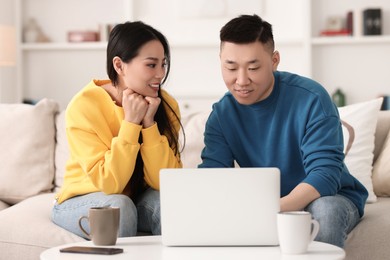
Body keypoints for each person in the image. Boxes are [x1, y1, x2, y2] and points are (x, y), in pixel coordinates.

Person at [198, 14, 368, 248]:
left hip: (327, 197)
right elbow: (214, 176)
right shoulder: (221, 115)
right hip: (266, 204)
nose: (241, 80)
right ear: (220, 61)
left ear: (275, 60)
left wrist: (273, 208)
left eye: (253, 67)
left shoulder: (312, 99)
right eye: (231, 67)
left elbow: (325, 175)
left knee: (326, 211)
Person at [52, 21, 184, 238]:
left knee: (167, 202)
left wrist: (149, 125)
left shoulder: (165, 105)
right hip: (82, 199)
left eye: (164, 64)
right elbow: (110, 183)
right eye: (151, 65)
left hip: (133, 199)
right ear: (119, 65)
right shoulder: (84, 105)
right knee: (118, 206)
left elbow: (165, 182)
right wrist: (131, 124)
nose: (160, 74)